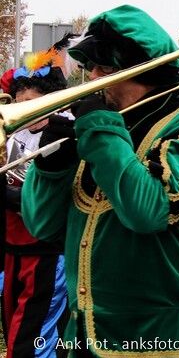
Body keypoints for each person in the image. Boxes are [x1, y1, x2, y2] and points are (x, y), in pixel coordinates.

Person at [21, 5, 179, 356]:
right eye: (90, 67)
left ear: (143, 72)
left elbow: (149, 211)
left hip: (173, 342)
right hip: (89, 336)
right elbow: (41, 225)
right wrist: (51, 168)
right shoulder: (103, 129)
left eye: (105, 67)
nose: (92, 78)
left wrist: (99, 131)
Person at [2, 44, 70, 357]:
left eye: (32, 103)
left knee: (30, 341)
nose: (23, 109)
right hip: (14, 247)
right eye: (19, 103)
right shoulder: (15, 134)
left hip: (46, 250)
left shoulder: (62, 134)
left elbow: (49, 200)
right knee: (16, 328)